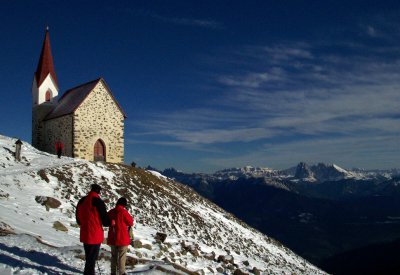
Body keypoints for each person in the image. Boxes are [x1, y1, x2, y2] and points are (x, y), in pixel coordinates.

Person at [76, 184, 110, 275]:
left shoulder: (81, 201)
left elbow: (78, 220)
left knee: (89, 256)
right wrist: (112, 222)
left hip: (85, 233)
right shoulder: (98, 201)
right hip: (95, 233)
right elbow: (105, 221)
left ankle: (89, 272)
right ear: (98, 191)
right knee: (92, 258)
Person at [107, 197, 134, 275]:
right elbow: (130, 222)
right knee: (122, 257)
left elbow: (106, 220)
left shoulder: (111, 212)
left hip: (113, 237)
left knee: (113, 256)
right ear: (124, 205)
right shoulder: (124, 212)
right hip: (122, 238)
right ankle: (121, 273)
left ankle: (113, 272)